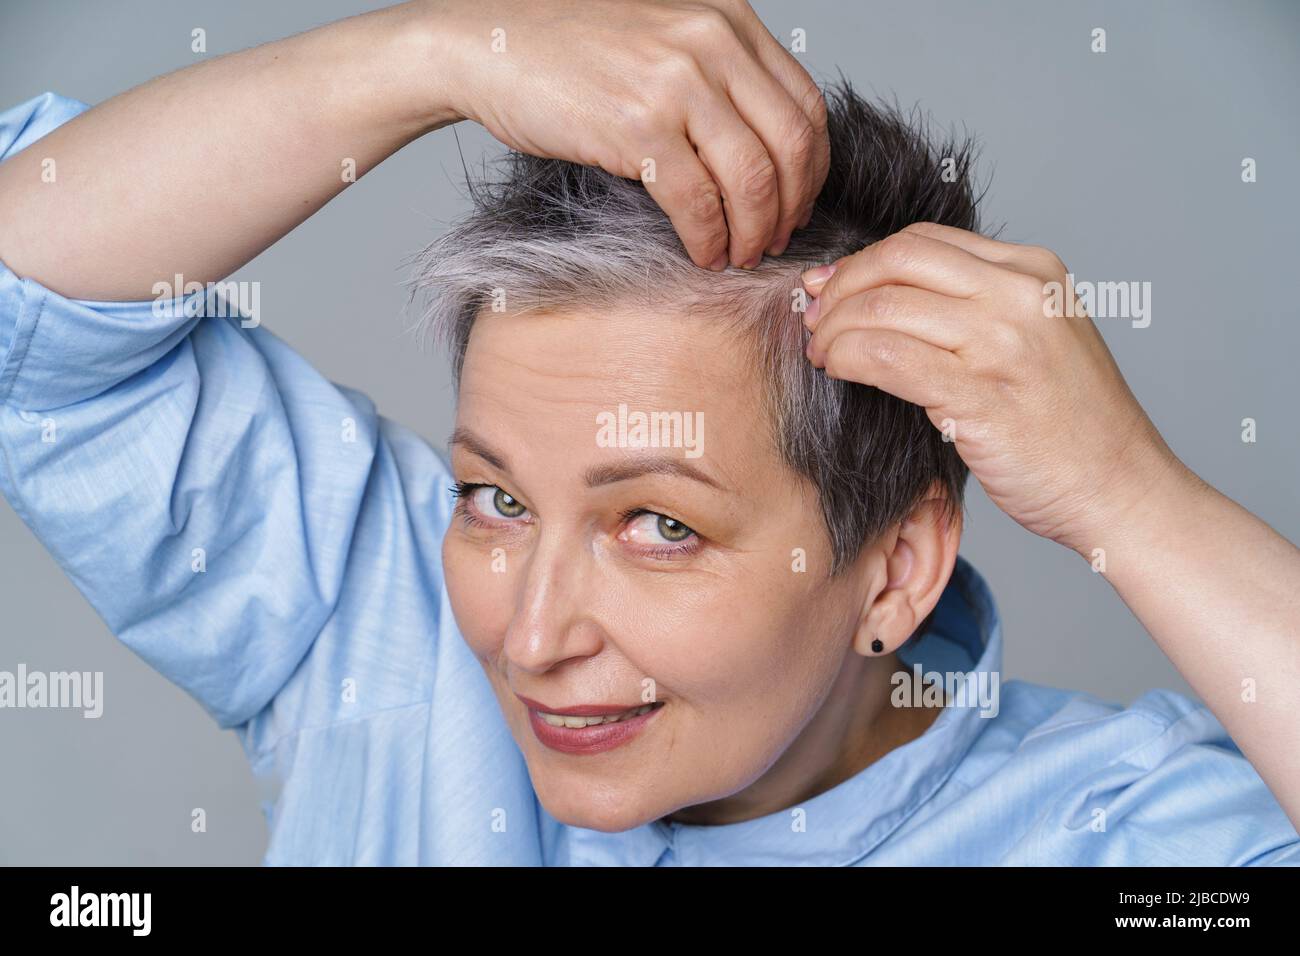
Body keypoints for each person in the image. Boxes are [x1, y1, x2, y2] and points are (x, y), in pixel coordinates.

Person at [1, 0, 1297, 866]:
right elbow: (28, 300)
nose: (531, 634)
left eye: (660, 525)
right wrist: (434, 53)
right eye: (494, 500)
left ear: (896, 571)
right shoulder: (377, 624)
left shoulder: (1119, 839)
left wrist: (1136, 505)